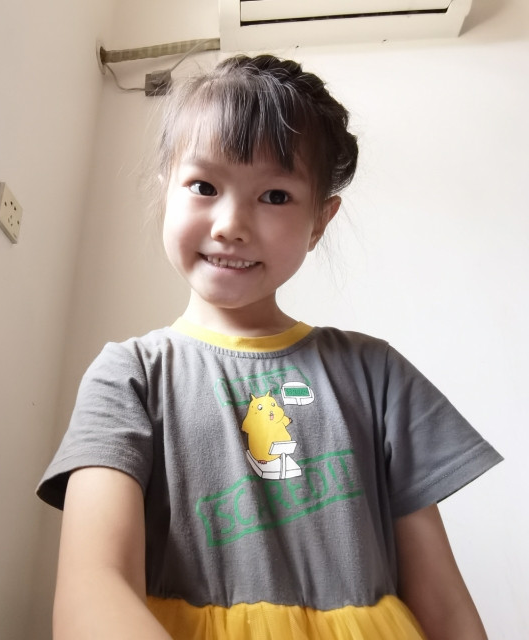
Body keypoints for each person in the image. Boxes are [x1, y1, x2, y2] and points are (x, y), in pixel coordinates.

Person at [37, 55, 502, 639]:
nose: (231, 224)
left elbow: (445, 604)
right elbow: (93, 589)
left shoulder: (377, 374)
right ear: (167, 193)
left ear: (320, 220)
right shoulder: (129, 375)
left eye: (276, 196)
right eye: (204, 186)